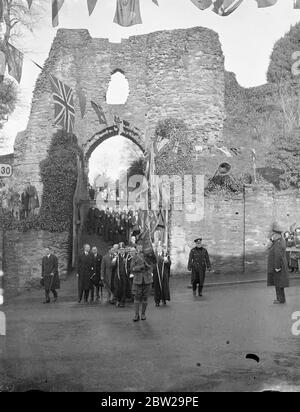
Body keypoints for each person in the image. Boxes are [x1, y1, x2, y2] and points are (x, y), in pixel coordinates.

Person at [267, 222, 289, 304]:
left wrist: (277, 267)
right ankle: (281, 299)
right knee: (279, 283)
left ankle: (280, 299)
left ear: (276, 234)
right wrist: (271, 241)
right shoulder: (278, 241)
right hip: (280, 266)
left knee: (279, 283)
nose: (272, 236)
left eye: (273, 234)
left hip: (278, 266)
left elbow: (278, 255)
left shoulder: (278, 243)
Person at [130, 244, 153, 322]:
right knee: (136, 298)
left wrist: (148, 266)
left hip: (147, 280)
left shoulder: (148, 256)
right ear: (136, 249)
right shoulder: (135, 257)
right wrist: (140, 267)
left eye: (141, 247)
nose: (140, 248)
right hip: (137, 280)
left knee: (145, 298)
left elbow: (152, 266)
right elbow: (132, 268)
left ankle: (143, 314)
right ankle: (136, 315)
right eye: (138, 247)